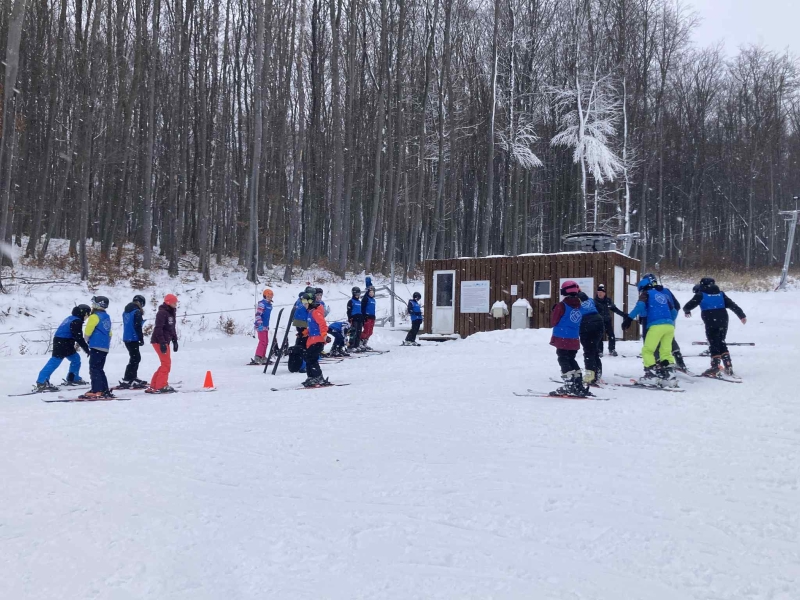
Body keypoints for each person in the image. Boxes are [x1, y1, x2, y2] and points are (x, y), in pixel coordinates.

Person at [683, 277, 746, 376]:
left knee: (713, 343)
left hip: (711, 319)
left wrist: (687, 310)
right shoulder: (721, 294)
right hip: (723, 319)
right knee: (721, 341)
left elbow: (688, 306)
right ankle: (728, 365)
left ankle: (715, 367)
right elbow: (733, 305)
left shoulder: (701, 294)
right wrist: (741, 315)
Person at [623, 275, 679, 387]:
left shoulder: (646, 294)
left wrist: (629, 318)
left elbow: (639, 306)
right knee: (665, 352)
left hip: (656, 326)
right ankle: (670, 376)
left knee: (648, 350)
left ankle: (651, 375)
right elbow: (674, 312)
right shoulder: (663, 295)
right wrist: (667, 320)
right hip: (669, 326)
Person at [636, 274, 687, 372]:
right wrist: (670, 316)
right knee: (668, 343)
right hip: (668, 321)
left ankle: (656, 365)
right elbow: (677, 305)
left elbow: (642, 308)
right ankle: (678, 361)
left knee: (650, 344)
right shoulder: (666, 291)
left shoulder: (648, 293)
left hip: (652, 320)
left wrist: (642, 317)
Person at [34, 304, 91, 391]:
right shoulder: (76, 321)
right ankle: (42, 382)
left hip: (62, 341)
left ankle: (73, 378)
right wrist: (86, 349)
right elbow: (78, 337)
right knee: (55, 361)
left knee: (75, 359)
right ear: (84, 313)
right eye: (88, 314)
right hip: (63, 342)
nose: (88, 316)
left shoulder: (71, 318)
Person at [549, 280, 589, 397]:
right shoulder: (580, 306)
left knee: (563, 359)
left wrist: (554, 310)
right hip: (574, 338)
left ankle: (569, 384)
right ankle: (578, 383)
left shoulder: (561, 305)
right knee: (571, 359)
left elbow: (554, 321)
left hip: (562, 337)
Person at [81, 296, 115, 399]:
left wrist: (85, 340)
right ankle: (104, 389)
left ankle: (96, 390)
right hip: (104, 346)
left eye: (93, 303)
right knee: (100, 368)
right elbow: (110, 332)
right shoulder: (106, 316)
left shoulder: (94, 316)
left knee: (94, 368)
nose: (92, 305)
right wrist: (106, 343)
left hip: (96, 345)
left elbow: (88, 330)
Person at [147, 294, 179, 394]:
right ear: (169, 302)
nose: (176, 304)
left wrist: (174, 340)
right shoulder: (162, 313)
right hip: (159, 341)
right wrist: (162, 342)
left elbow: (171, 328)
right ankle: (161, 386)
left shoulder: (171, 313)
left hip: (165, 340)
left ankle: (154, 385)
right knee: (166, 364)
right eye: (174, 302)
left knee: (165, 363)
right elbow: (158, 328)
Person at [300, 291, 330, 387]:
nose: (304, 304)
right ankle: (311, 376)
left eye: (305, 302)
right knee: (308, 358)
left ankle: (317, 376)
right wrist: (305, 332)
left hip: (318, 340)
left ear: (310, 302)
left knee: (311, 358)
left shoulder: (316, 312)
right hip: (312, 339)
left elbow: (322, 324)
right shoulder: (310, 312)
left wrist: (325, 335)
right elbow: (313, 326)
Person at [119, 295, 148, 389]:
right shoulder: (136, 311)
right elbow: (137, 326)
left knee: (134, 358)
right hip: (133, 337)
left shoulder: (126, 311)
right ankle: (128, 378)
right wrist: (141, 338)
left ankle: (132, 377)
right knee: (135, 358)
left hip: (127, 337)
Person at [577, 288, 605, 385]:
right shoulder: (590, 300)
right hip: (599, 323)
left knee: (588, 352)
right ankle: (597, 373)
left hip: (586, 324)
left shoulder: (576, 302)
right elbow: (601, 308)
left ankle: (590, 376)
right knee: (594, 349)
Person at [594, 284, 626, 356]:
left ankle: (612, 349)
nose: (600, 294)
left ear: (604, 293)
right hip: (598, 321)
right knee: (599, 336)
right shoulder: (594, 302)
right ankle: (599, 351)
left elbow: (614, 309)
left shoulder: (608, 300)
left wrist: (623, 315)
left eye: (601, 292)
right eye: (598, 292)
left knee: (611, 335)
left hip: (607, 320)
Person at [250, 288, 274, 365]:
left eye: (271, 296)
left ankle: (263, 356)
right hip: (260, 325)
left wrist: (266, 325)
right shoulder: (262, 304)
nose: (270, 298)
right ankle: (258, 356)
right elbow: (258, 315)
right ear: (265, 296)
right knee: (262, 341)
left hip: (265, 326)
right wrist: (260, 323)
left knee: (266, 341)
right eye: (268, 296)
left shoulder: (269, 304)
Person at [360, 285, 377, 350]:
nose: (371, 294)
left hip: (372, 317)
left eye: (373, 292)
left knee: (370, 332)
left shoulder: (373, 300)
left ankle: (365, 343)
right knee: (366, 331)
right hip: (367, 317)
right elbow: (362, 308)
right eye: (370, 292)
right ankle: (360, 342)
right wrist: (364, 316)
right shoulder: (365, 298)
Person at [347, 287, 364, 351]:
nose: (358, 295)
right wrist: (350, 318)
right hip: (354, 319)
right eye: (356, 294)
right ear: (353, 293)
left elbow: (361, 310)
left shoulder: (359, 302)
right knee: (353, 332)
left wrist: (362, 318)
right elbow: (349, 311)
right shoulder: (351, 301)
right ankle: (351, 346)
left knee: (359, 333)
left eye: (359, 294)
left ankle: (356, 345)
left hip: (359, 319)